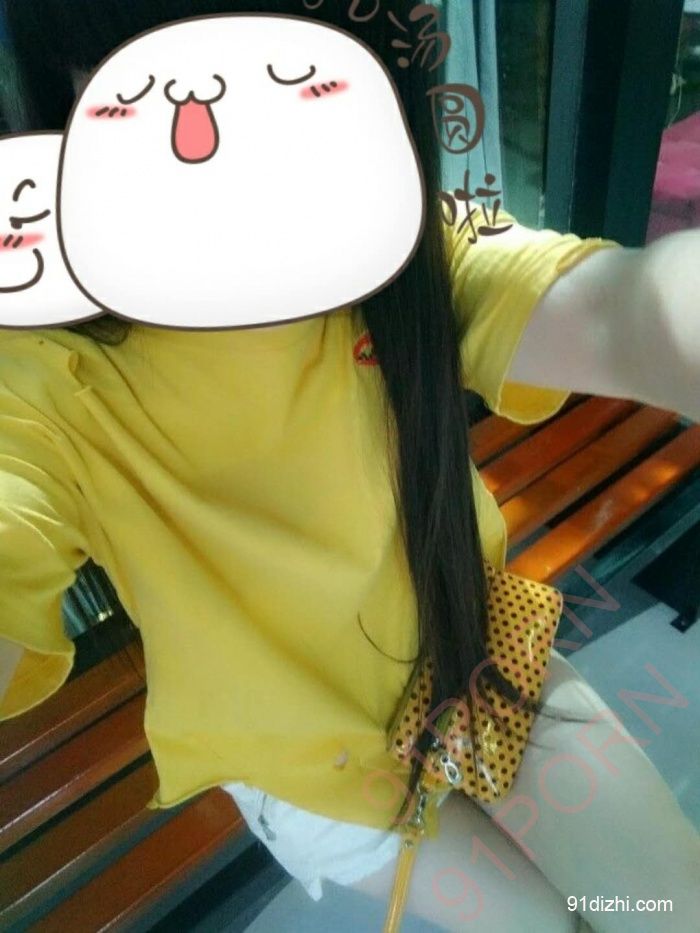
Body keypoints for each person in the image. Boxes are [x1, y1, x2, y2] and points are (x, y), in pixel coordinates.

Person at [0, 2, 698, 930]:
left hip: (471, 641)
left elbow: (620, 311)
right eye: (140, 74)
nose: (207, 130)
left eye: (278, 69)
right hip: (314, 767)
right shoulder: (47, 369)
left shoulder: (387, 248)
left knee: (668, 903)